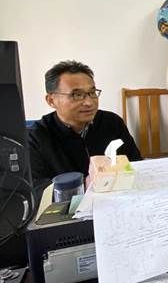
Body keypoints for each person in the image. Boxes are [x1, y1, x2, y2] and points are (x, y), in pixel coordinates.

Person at [29, 60, 142, 191]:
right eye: (77, 95)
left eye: (92, 93)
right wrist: (84, 185)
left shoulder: (112, 122)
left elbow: (136, 164)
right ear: (51, 100)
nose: (89, 102)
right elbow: (36, 189)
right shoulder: (36, 137)